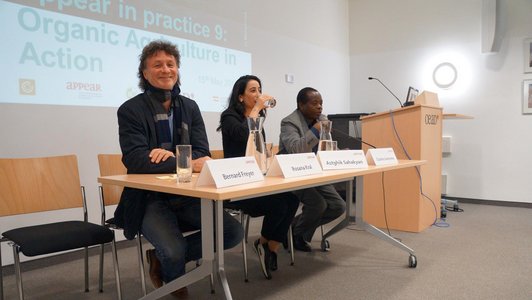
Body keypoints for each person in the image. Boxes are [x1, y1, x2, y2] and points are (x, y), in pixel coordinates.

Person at [114, 40, 243, 297]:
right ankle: (174, 281)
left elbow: (202, 153)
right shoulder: (130, 110)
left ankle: (161, 259)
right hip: (149, 199)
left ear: (178, 69)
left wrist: (170, 156)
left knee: (232, 232)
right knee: (174, 250)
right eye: (157, 65)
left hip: (187, 194)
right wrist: (183, 159)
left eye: (170, 64)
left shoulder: (189, 106)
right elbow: (136, 160)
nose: (166, 70)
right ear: (145, 73)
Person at [217, 75, 299, 279]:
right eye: (253, 90)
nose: (258, 94)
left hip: (256, 178)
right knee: (279, 205)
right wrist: (256, 111)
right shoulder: (229, 117)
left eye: (259, 89)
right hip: (236, 184)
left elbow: (257, 151)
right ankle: (265, 246)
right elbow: (245, 135)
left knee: (292, 198)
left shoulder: (258, 117)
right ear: (240, 96)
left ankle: (268, 245)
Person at [278, 87, 346, 252]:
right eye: (315, 103)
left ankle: (293, 229)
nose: (320, 107)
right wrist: (316, 129)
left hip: (315, 172)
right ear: (301, 105)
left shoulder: (321, 119)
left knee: (338, 206)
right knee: (318, 204)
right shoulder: (289, 122)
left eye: (321, 103)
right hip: (292, 173)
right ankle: (298, 235)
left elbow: (326, 147)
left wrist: (341, 154)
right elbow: (297, 149)